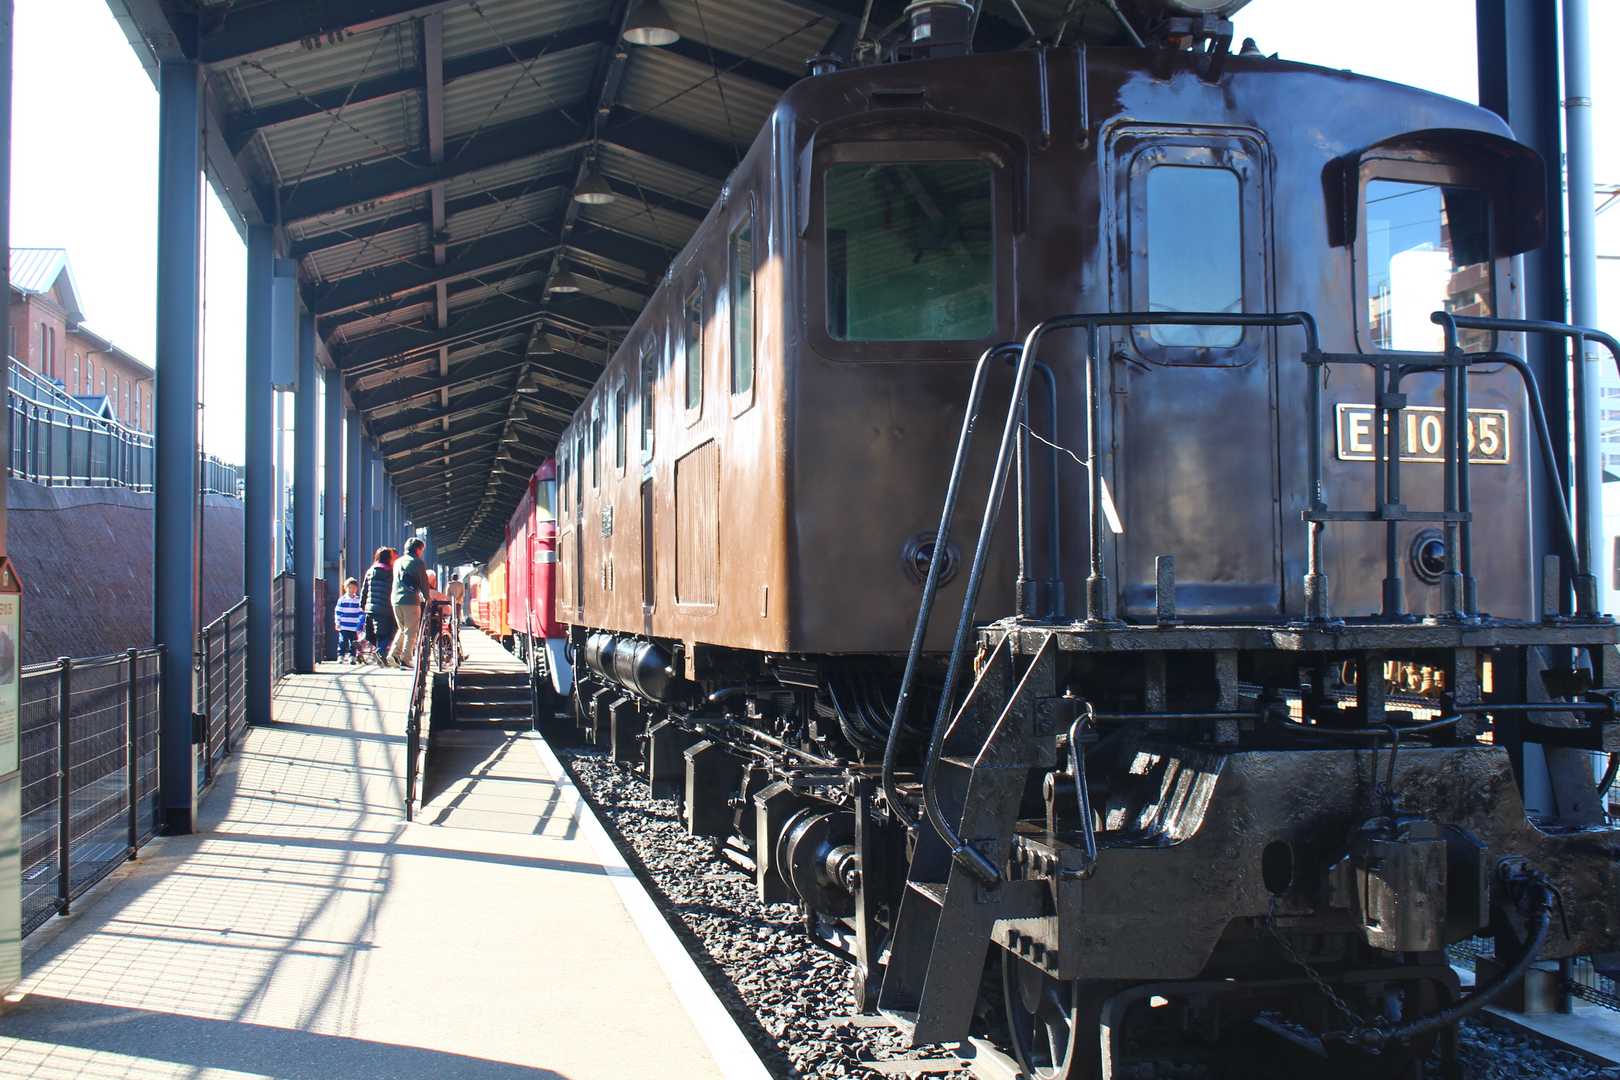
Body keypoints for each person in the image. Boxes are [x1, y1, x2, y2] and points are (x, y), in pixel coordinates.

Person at [388, 538, 432, 667]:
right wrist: (427, 598)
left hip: (395, 600)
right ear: (418, 549)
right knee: (411, 631)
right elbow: (424, 582)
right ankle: (406, 659)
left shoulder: (398, 561)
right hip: (410, 601)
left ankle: (394, 655)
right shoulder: (417, 562)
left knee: (402, 629)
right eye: (422, 550)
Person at [360, 548, 397, 666]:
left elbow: (364, 589)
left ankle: (380, 658)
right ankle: (380, 652)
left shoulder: (370, 571)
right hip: (386, 608)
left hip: (371, 608)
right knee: (387, 633)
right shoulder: (391, 572)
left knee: (376, 633)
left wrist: (362, 604)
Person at [334, 577, 365, 664]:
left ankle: (352, 657)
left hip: (354, 626)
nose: (352, 590)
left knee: (353, 643)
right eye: (350, 587)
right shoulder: (342, 599)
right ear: (345, 588)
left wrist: (360, 623)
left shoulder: (358, 600)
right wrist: (337, 622)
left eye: (354, 588)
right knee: (342, 641)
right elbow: (338, 612)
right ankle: (341, 656)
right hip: (344, 625)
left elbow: (361, 612)